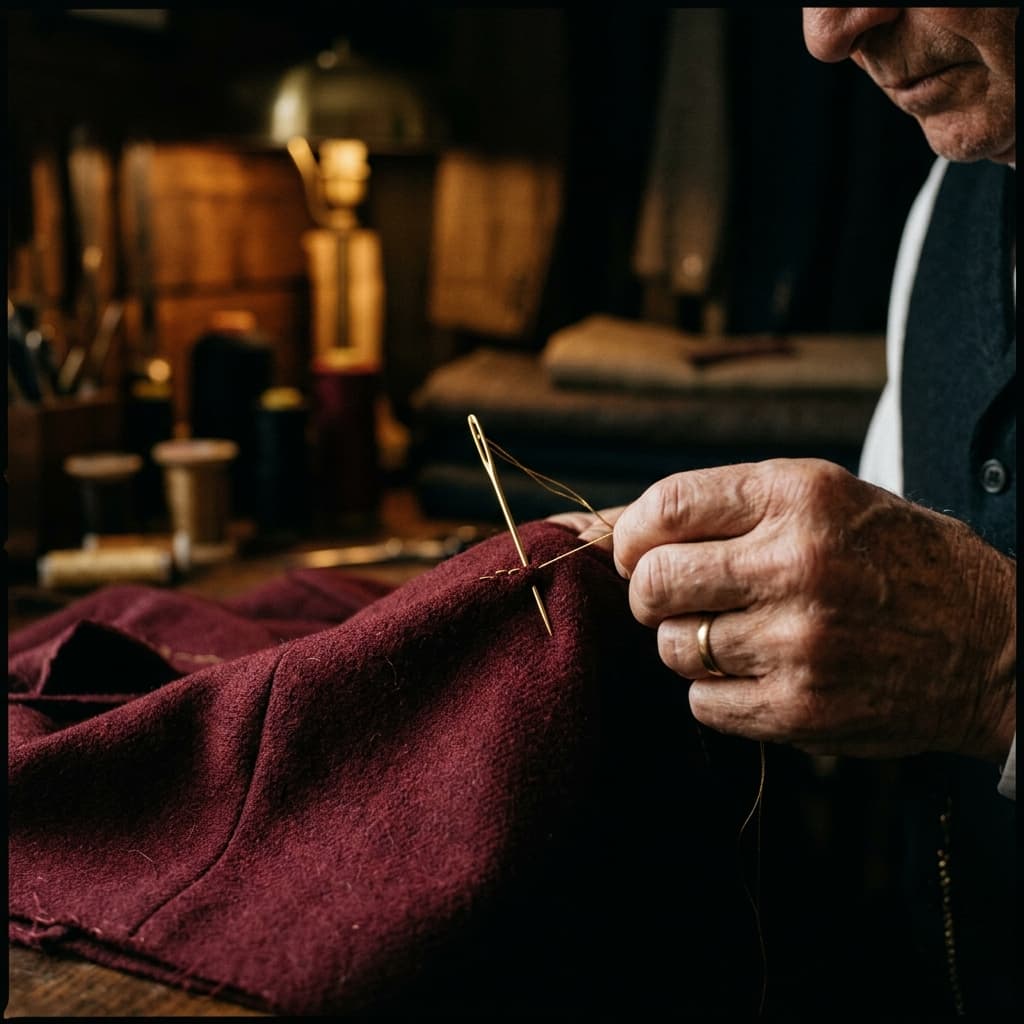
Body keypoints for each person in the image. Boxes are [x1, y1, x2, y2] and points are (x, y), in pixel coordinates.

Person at [552, 6, 1015, 1015]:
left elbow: (958, 633)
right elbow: (885, 588)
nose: (827, 32)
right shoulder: (945, 213)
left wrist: (997, 660)